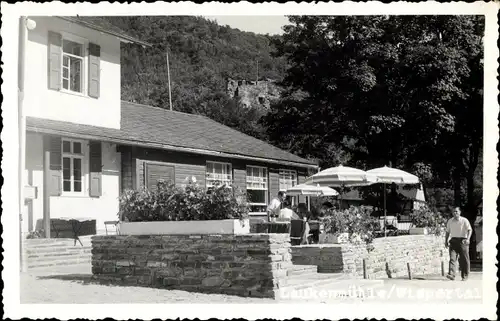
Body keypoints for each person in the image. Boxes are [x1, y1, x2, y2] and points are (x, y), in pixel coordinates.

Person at [445, 206, 472, 281]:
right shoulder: (450, 221)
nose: (455, 213)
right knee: (452, 258)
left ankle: (465, 276)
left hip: (463, 241)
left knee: (464, 260)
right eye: (453, 211)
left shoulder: (464, 220)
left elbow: (470, 230)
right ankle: (452, 275)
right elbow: (447, 232)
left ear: (460, 212)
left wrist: (468, 239)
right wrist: (446, 241)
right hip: (453, 241)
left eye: (456, 211)